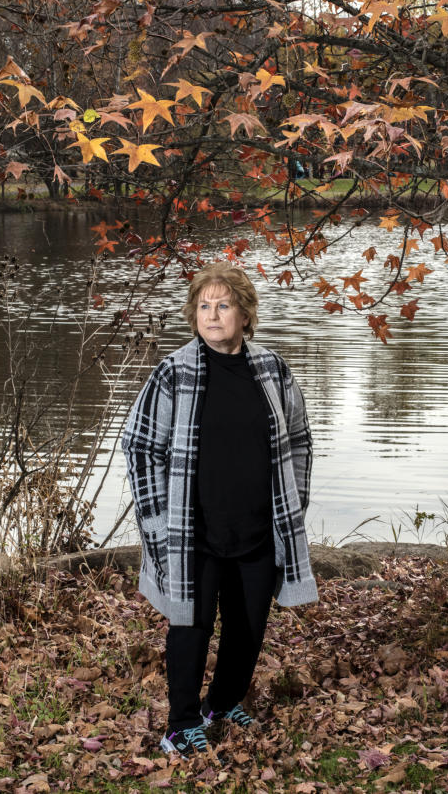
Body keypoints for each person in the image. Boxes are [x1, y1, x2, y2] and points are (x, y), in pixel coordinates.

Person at [121, 261, 319, 757]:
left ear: (245, 315)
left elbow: (299, 439)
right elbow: (140, 446)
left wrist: (294, 502)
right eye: (204, 306)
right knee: (190, 625)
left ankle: (222, 702)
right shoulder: (173, 373)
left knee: (249, 626)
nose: (212, 315)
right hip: (194, 531)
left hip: (256, 529)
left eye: (223, 305)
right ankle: (181, 724)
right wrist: (157, 521)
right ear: (194, 316)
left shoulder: (272, 370)